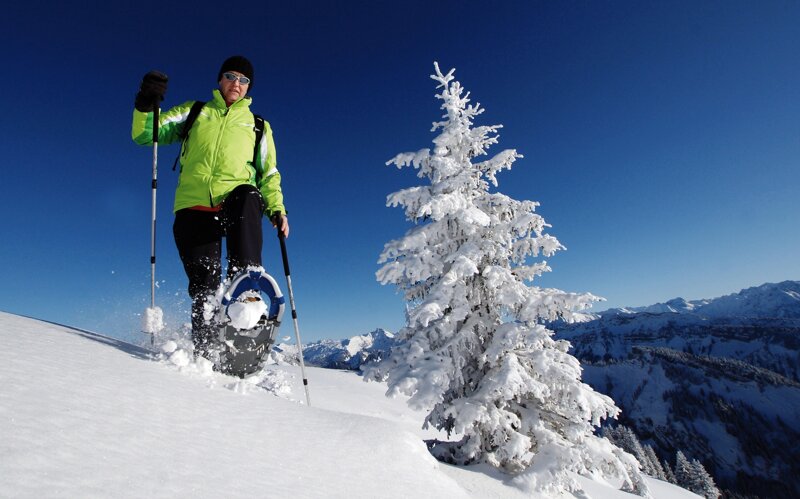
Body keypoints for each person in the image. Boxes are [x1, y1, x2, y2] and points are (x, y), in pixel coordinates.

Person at [131, 55, 289, 356]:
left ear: (249, 87)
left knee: (247, 193)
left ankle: (246, 287)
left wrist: (277, 209)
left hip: (236, 204)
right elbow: (145, 134)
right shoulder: (195, 112)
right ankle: (205, 354)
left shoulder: (257, 126)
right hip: (193, 208)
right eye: (231, 76)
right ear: (220, 80)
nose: (237, 83)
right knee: (204, 288)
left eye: (244, 80)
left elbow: (268, 173)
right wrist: (145, 103)